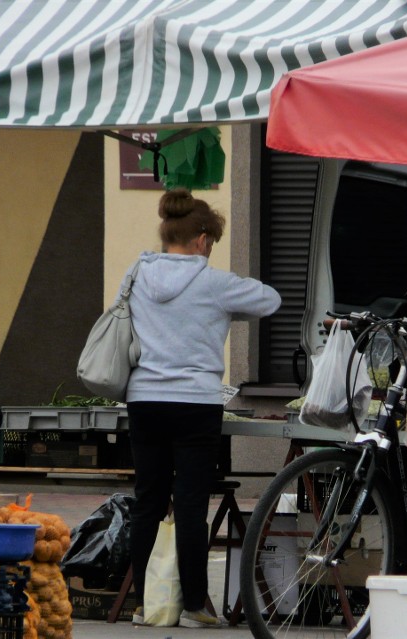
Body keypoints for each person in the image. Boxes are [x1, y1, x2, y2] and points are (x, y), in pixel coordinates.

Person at [124, 189, 281, 628]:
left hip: (145, 401)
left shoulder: (137, 273)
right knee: (190, 504)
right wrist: (223, 313)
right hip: (194, 404)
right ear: (202, 239)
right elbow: (270, 300)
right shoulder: (214, 283)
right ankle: (194, 605)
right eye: (211, 240)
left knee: (147, 502)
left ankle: (146, 605)